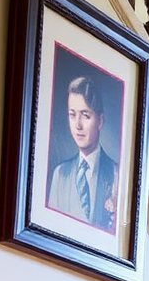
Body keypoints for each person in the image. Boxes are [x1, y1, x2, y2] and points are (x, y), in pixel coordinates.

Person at [47, 77, 118, 232]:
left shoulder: (115, 173)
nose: (78, 125)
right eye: (72, 115)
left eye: (85, 115)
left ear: (100, 121)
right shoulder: (60, 174)